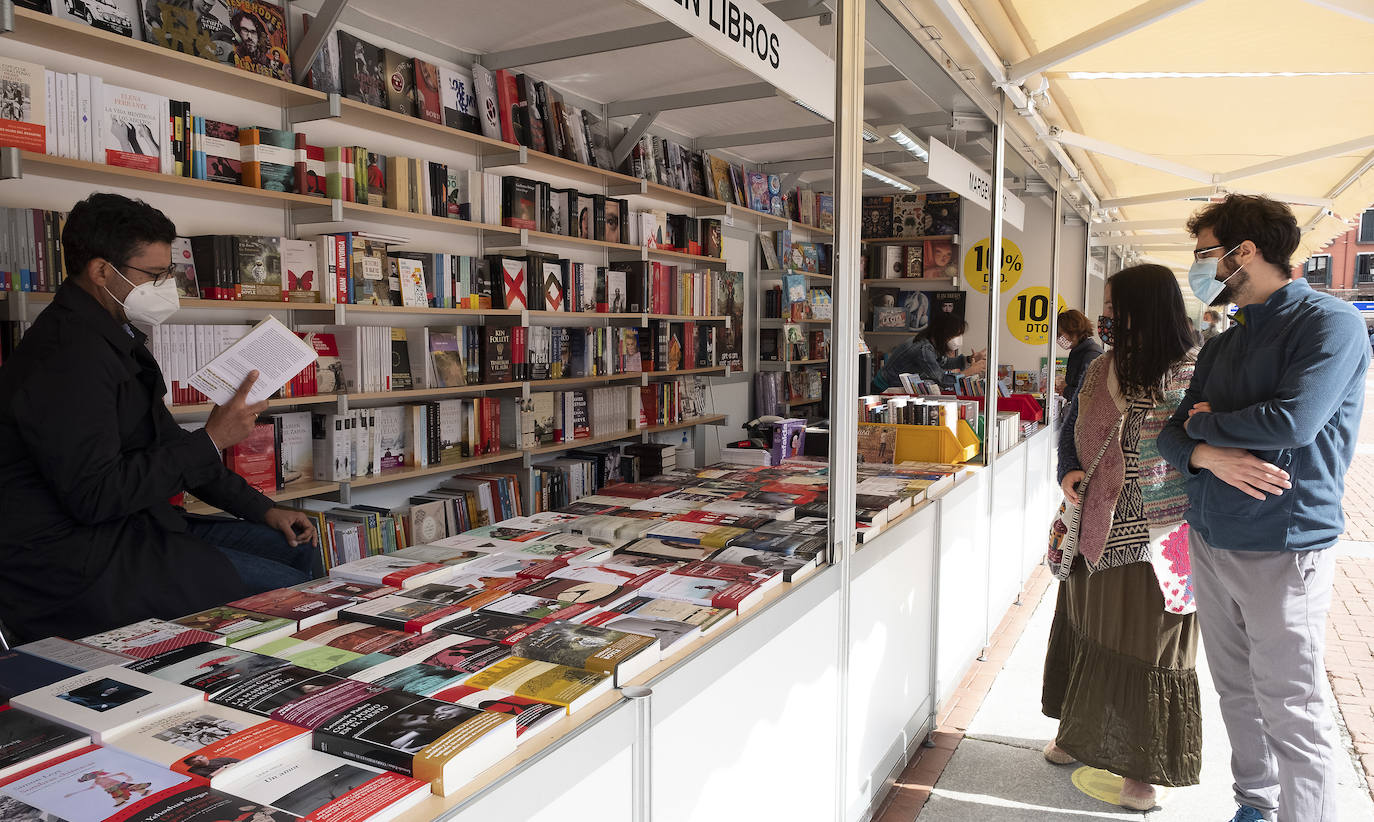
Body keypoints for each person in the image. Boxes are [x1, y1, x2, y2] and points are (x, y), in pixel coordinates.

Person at [0, 193, 320, 643]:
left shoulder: (112, 338)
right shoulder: (66, 358)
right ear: (100, 271)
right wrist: (211, 439)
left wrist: (263, 509)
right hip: (74, 560)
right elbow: (95, 495)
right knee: (295, 601)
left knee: (296, 546)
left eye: (167, 272)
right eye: (154, 275)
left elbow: (167, 444)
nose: (166, 285)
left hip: (133, 528)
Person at [1159, 194, 1368, 822]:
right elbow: (1172, 434)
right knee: (1236, 690)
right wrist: (1204, 455)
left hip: (1284, 540)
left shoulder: (1329, 324)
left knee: (1290, 701)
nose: (1200, 269)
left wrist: (1209, 427)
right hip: (1211, 533)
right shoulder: (1226, 341)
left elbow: (1294, 422)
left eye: (1205, 255)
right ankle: (1255, 803)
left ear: (1243, 253)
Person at [1042, 264, 1201, 810]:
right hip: (1092, 529)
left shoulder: (1193, 373)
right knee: (1087, 629)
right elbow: (1070, 430)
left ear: (1148, 309)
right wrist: (1068, 471)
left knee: (1148, 645)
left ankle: (1141, 769)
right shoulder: (1098, 367)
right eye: (1106, 307)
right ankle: (1078, 733)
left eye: (1115, 306)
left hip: (1160, 535)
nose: (1106, 316)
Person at [870, 313, 986, 393]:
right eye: (955, 334)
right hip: (884, 389)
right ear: (943, 333)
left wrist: (969, 359)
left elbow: (943, 363)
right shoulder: (923, 349)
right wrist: (969, 372)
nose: (958, 339)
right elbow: (943, 380)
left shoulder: (930, 343)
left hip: (894, 388)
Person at [1055, 309, 1103, 403]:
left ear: (1073, 331)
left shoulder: (1092, 355)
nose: (1058, 339)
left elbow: (1088, 397)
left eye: (1060, 334)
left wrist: (1065, 389)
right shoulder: (1079, 352)